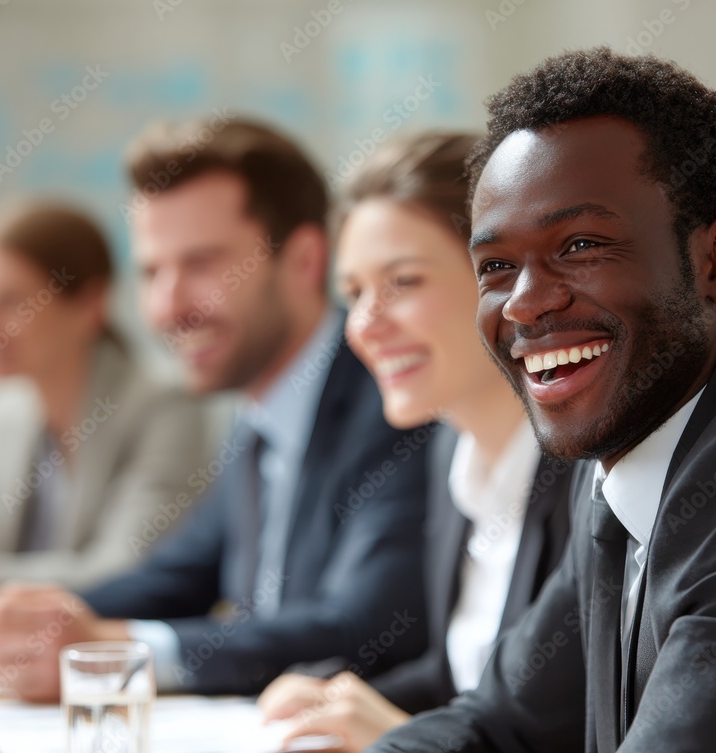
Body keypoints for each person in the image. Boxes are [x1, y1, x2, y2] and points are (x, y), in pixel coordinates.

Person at [368, 48, 716, 753]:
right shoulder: (632, 448)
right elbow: (500, 721)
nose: (525, 302)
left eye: (579, 245)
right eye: (495, 266)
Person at [0, 116, 430, 702]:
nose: (168, 306)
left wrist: (125, 652)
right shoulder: (259, 415)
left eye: (202, 264)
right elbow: (176, 578)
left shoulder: (394, 397)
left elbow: (361, 627)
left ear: (304, 261)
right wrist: (19, 628)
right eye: (152, 271)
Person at [255, 133, 575, 752]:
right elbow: (463, 681)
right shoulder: (451, 455)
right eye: (352, 293)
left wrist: (404, 738)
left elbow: (572, 729)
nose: (365, 325)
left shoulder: (584, 479)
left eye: (402, 281)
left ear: (501, 280)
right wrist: (336, 694)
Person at [0, 200, 205, 591]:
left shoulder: (166, 406)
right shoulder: (2, 409)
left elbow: (123, 570)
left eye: (12, 301)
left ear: (90, 304)